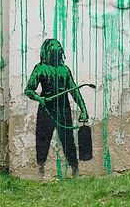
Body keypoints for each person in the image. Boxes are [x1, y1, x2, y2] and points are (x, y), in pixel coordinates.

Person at [24, 38, 89, 177]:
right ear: (48, 50)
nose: (57, 48)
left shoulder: (64, 70)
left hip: (63, 109)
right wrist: (38, 98)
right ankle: (40, 169)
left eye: (59, 47)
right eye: (54, 47)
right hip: (46, 109)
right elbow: (28, 90)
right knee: (42, 140)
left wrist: (84, 109)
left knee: (68, 140)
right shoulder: (40, 68)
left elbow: (74, 91)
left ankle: (74, 169)